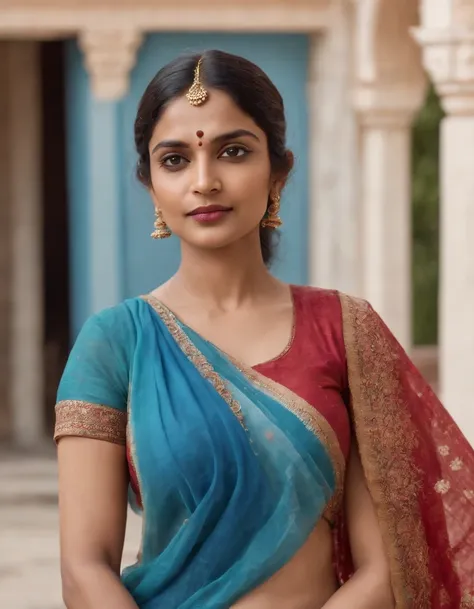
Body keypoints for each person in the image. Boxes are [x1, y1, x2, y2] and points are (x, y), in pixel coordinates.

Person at [55, 50, 474, 609]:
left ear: (279, 169)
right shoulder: (115, 342)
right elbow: (85, 568)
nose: (205, 181)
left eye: (233, 152)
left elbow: (389, 563)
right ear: (150, 184)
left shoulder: (345, 329)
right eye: (175, 159)